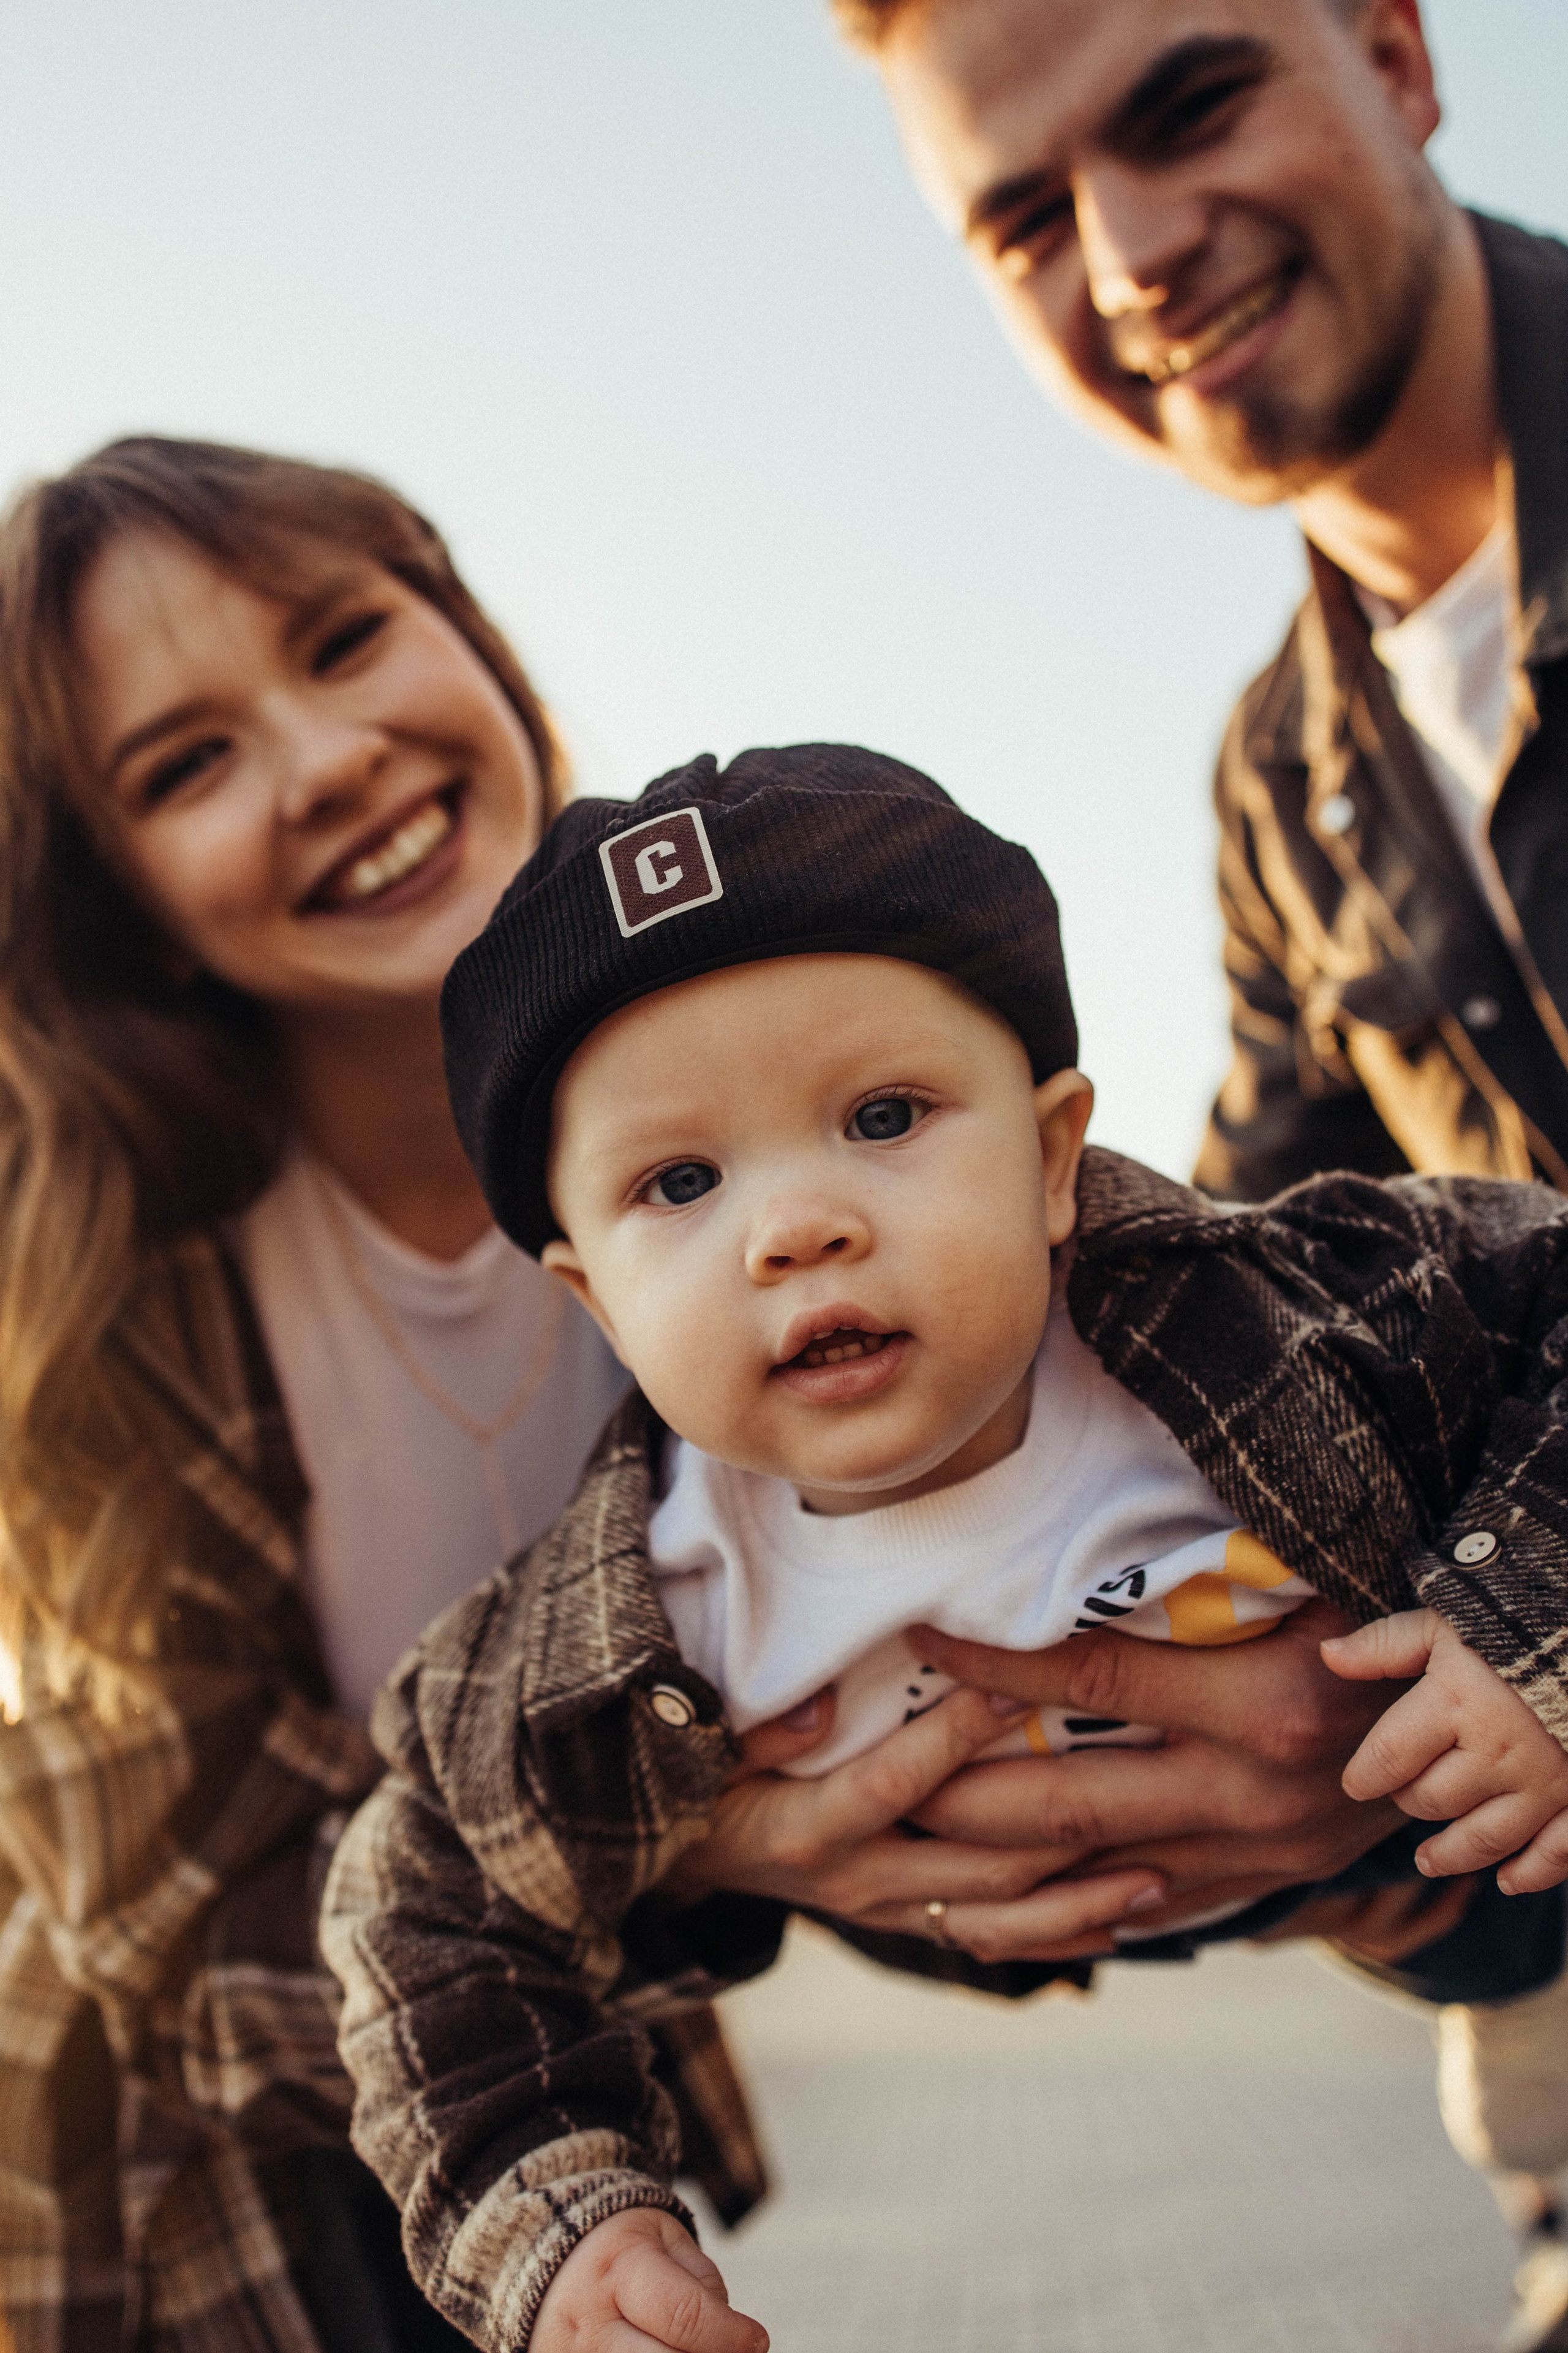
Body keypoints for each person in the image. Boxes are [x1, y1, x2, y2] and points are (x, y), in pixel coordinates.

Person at [323, 742, 1568, 2353]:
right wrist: (559, 2215)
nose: (797, 1223)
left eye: (885, 1114)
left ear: (1051, 1157)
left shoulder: (1286, 1314)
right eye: (681, 1181)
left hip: (1496, 1819)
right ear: (592, 1296)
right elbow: (421, 1898)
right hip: (1340, 1927)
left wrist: (1527, 1621)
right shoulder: (630, 1618)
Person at [822, 0, 1568, 2330]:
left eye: (1189, 104)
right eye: (1027, 217)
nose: (1132, 249)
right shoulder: (1280, 788)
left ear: (1397, 57)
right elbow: (1226, 1348)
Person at [0, 436, 641, 2352]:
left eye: (351, 640)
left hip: (546, 2144)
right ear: (120, 898)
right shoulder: (113, 1287)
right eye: (186, 763)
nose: (331, 756)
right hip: (188, 2207)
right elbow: (185, 1936)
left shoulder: (724, 1115)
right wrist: (728, 1838)